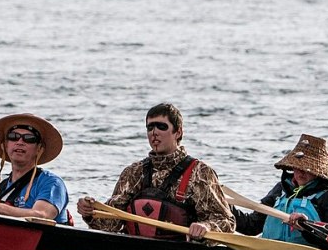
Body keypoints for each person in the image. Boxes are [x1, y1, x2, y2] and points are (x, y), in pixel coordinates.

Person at [76, 102, 233, 239]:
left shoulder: (201, 174)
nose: (154, 132)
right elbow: (111, 224)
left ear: (178, 132)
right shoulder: (133, 173)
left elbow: (226, 221)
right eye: (150, 127)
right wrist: (90, 213)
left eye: (161, 126)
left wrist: (207, 227)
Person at [231, 134, 328, 245]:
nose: (300, 173)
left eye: (308, 169)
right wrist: (226, 207)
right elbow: (251, 226)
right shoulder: (280, 189)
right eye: (297, 167)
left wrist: (307, 227)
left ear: (318, 172)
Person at [0, 113, 71, 223]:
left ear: (39, 149)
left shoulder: (51, 182)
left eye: (29, 139)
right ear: (5, 146)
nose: (20, 142)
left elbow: (43, 215)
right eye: (13, 137)